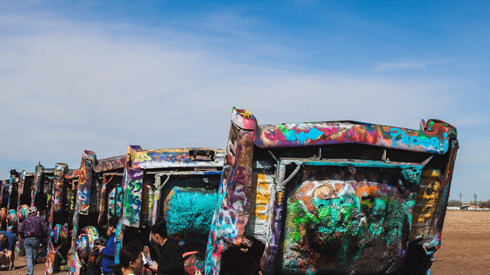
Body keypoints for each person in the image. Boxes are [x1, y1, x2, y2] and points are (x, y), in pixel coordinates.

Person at [18, 206, 49, 275]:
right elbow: (46, 229)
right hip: (36, 240)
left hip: (27, 239)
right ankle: (30, 273)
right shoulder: (39, 219)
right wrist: (46, 237)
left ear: (30, 212)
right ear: (35, 212)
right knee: (32, 258)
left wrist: (23, 237)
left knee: (29, 257)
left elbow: (20, 230)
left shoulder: (26, 220)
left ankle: (29, 273)